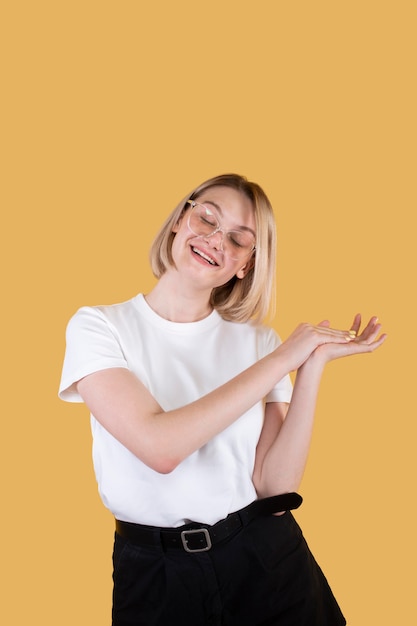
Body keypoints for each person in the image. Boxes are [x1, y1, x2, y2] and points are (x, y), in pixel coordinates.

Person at [59, 173, 386, 625]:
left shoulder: (259, 343)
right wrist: (285, 358)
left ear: (246, 265)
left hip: (267, 559)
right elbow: (160, 448)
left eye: (238, 239)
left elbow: (275, 486)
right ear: (178, 220)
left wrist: (310, 368)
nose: (215, 240)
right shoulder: (98, 326)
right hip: (156, 574)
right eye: (207, 219)